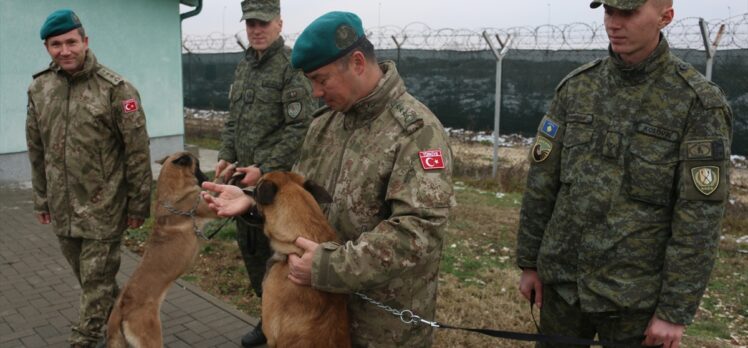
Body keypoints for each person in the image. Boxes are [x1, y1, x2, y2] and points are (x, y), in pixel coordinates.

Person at [202, 11, 455, 347]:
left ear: (358, 62)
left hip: (380, 329)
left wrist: (328, 266)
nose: (316, 93)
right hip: (316, 319)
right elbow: (298, 201)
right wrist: (254, 202)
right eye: (311, 82)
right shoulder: (325, 125)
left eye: (322, 80)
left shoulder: (417, 133)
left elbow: (418, 232)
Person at [515, 0, 733, 347]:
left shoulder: (696, 103)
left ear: (666, 16)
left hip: (636, 302)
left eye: (628, 13)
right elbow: (542, 181)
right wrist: (529, 262)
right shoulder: (577, 88)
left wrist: (674, 311)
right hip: (565, 289)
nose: (614, 23)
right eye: (608, 12)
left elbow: (699, 216)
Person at [25, 9, 152, 348]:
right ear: (47, 47)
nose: (64, 50)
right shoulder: (40, 88)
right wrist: (41, 198)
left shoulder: (117, 90)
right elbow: (37, 149)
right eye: (56, 44)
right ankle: (132, 326)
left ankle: (84, 339)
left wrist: (138, 203)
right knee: (92, 282)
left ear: (85, 41)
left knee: (95, 286)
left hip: (104, 207)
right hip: (63, 207)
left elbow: (137, 152)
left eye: (71, 42)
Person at [213, 0, 315, 346]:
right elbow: (233, 119)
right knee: (251, 251)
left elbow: (299, 127)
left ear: (279, 24)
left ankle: (282, 325)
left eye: (263, 23)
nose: (256, 30)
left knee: (278, 257)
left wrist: (266, 169)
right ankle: (267, 314)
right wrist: (227, 156)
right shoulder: (244, 67)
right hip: (243, 183)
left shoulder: (291, 68)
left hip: (276, 190)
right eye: (250, 23)